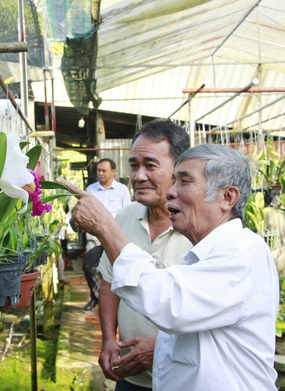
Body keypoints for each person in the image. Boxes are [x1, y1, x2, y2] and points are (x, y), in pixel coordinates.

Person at [58, 144, 279, 390]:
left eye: (184, 181)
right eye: (174, 180)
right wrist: (163, 345)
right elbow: (205, 337)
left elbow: (167, 301)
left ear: (227, 197)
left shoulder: (240, 254)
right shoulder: (210, 251)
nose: (171, 191)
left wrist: (105, 226)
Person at [97, 119, 192, 391]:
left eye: (150, 165)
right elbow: (109, 283)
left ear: (179, 168)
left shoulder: (198, 229)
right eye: (134, 165)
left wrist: (160, 347)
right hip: (131, 376)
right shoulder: (124, 218)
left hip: (182, 378)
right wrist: (108, 340)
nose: (138, 176)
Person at [83, 158, 131, 311]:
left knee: (120, 269)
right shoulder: (90, 190)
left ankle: (121, 303)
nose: (100, 173)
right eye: (99, 171)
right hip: (95, 235)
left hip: (115, 235)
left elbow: (128, 213)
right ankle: (96, 296)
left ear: (113, 172)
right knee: (88, 267)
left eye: (104, 170)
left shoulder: (122, 190)